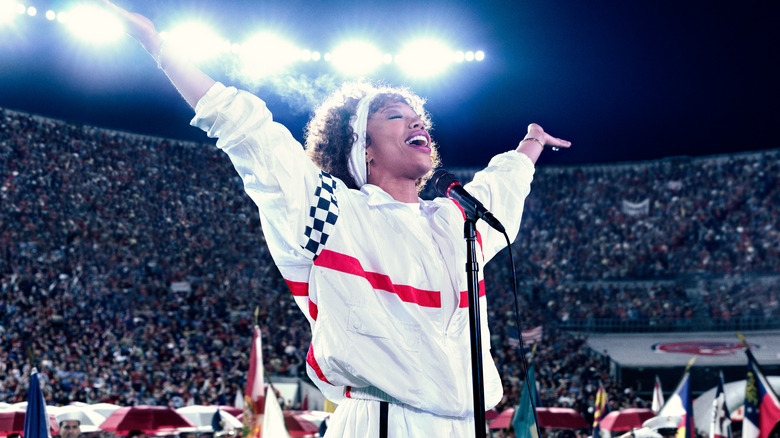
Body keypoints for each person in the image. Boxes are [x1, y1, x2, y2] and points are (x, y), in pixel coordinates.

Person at [99, 1, 571, 436]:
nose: (416, 123)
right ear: (362, 148)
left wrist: (530, 144)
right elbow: (252, 135)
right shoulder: (332, 212)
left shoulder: (457, 221)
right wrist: (159, 47)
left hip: (469, 425)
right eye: (394, 116)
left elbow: (502, 186)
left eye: (418, 117)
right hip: (384, 421)